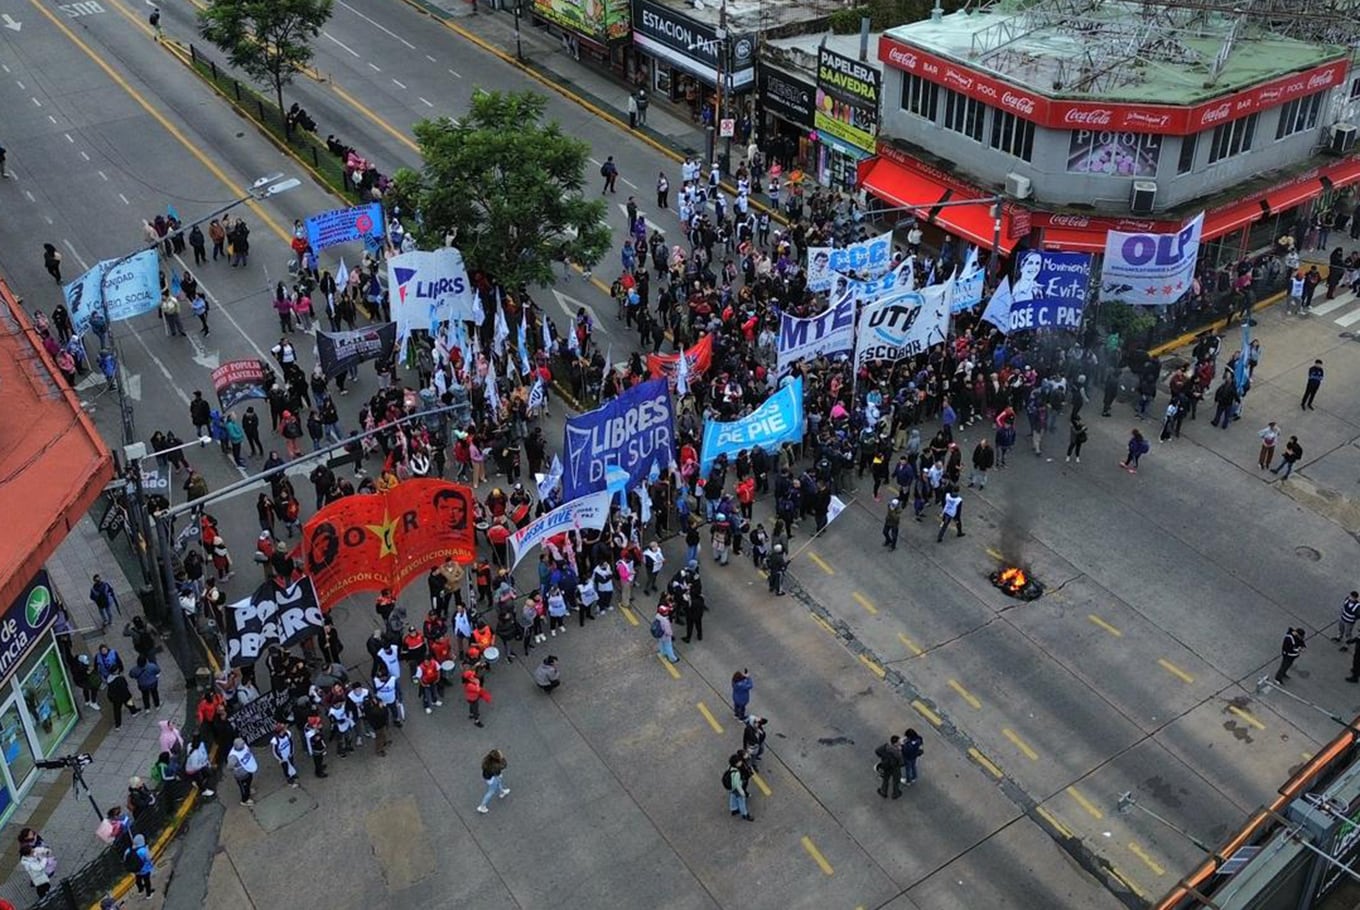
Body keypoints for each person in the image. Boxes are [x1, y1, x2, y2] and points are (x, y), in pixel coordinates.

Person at [476, 749, 510, 814]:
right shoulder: (496, 766)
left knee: (498, 782)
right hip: (493, 778)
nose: (501, 753)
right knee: (491, 791)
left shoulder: (487, 760)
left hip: (487, 776)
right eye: (500, 753)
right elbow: (504, 765)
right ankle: (482, 806)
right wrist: (502, 759)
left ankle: (502, 791)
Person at [226, 737, 257, 805]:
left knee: (249, 781)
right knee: (244, 787)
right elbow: (229, 767)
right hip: (241, 775)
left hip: (248, 769)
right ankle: (245, 800)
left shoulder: (244, 746)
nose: (244, 745)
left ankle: (248, 790)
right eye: (242, 744)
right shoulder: (233, 757)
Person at [723, 753, 754, 821]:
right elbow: (737, 785)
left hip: (731, 788)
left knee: (733, 797)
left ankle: (733, 809)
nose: (741, 762)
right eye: (739, 761)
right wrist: (742, 793)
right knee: (741, 801)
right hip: (736, 789)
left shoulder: (730, 767)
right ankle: (745, 814)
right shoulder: (737, 773)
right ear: (736, 763)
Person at [269, 723, 299, 788]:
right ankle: (289, 780)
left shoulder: (287, 734)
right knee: (286, 768)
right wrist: (281, 758)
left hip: (289, 754)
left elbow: (291, 743)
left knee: (291, 764)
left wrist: (291, 752)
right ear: (281, 731)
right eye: (283, 729)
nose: (285, 729)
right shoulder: (275, 740)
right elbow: (275, 751)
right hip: (283, 758)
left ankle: (293, 775)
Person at [127, 833, 154, 899]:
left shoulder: (128, 850)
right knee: (147, 882)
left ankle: (140, 890)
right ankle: (149, 894)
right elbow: (148, 859)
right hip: (145, 870)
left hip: (135, 870)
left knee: (138, 880)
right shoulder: (143, 851)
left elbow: (126, 859)